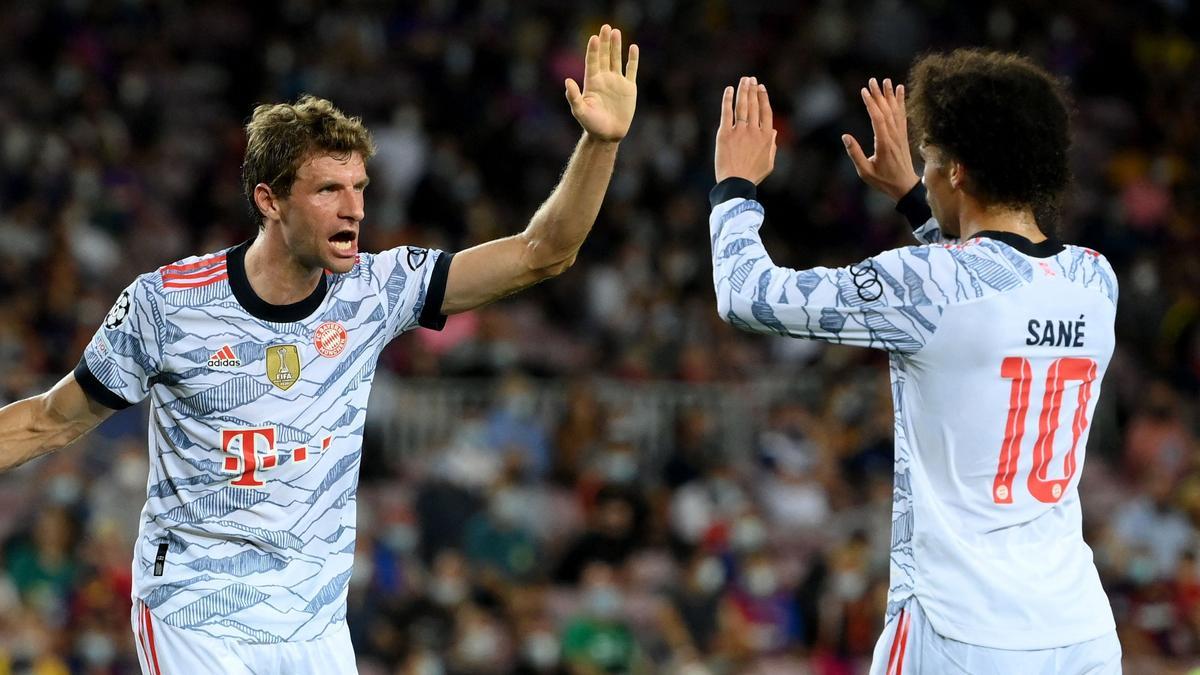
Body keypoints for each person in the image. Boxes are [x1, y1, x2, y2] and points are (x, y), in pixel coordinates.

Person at [0, 24, 638, 675]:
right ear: (269, 200)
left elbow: (542, 252)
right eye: (329, 189)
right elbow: (48, 420)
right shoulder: (168, 305)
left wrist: (599, 143)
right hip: (194, 615)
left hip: (314, 626)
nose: (355, 207)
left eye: (359, 186)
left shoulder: (377, 289)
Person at [709, 50, 1121, 673]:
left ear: (957, 171)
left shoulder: (928, 285)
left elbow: (746, 295)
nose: (923, 175)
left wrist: (734, 188)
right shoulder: (1095, 280)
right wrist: (911, 198)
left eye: (929, 164)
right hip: (1080, 631)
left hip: (959, 630)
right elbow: (986, 288)